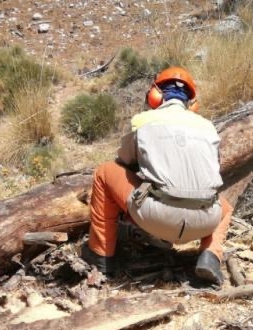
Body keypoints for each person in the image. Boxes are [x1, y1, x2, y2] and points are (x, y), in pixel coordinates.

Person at [81, 66, 233, 285]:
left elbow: (124, 161)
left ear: (155, 95)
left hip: (157, 217)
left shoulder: (143, 121)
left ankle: (101, 255)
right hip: (205, 221)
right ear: (192, 103)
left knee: (105, 172)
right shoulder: (209, 127)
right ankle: (210, 255)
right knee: (225, 208)